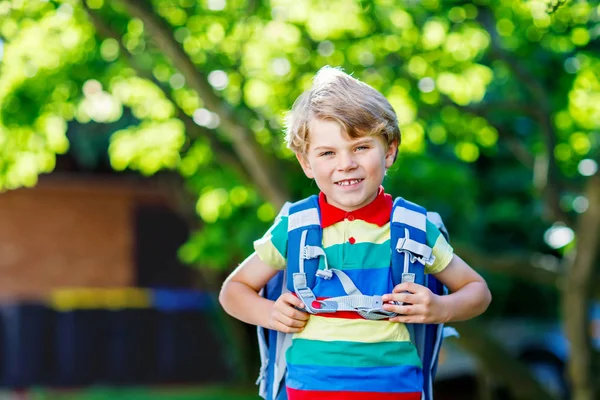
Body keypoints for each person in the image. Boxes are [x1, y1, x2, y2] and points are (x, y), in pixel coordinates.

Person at [219, 66, 492, 400]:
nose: (345, 163)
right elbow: (233, 291)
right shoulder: (297, 226)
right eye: (327, 153)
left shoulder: (414, 228)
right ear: (306, 163)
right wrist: (270, 313)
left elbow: (477, 291)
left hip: (396, 390)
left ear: (389, 151)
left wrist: (440, 308)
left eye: (361, 147)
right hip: (308, 391)